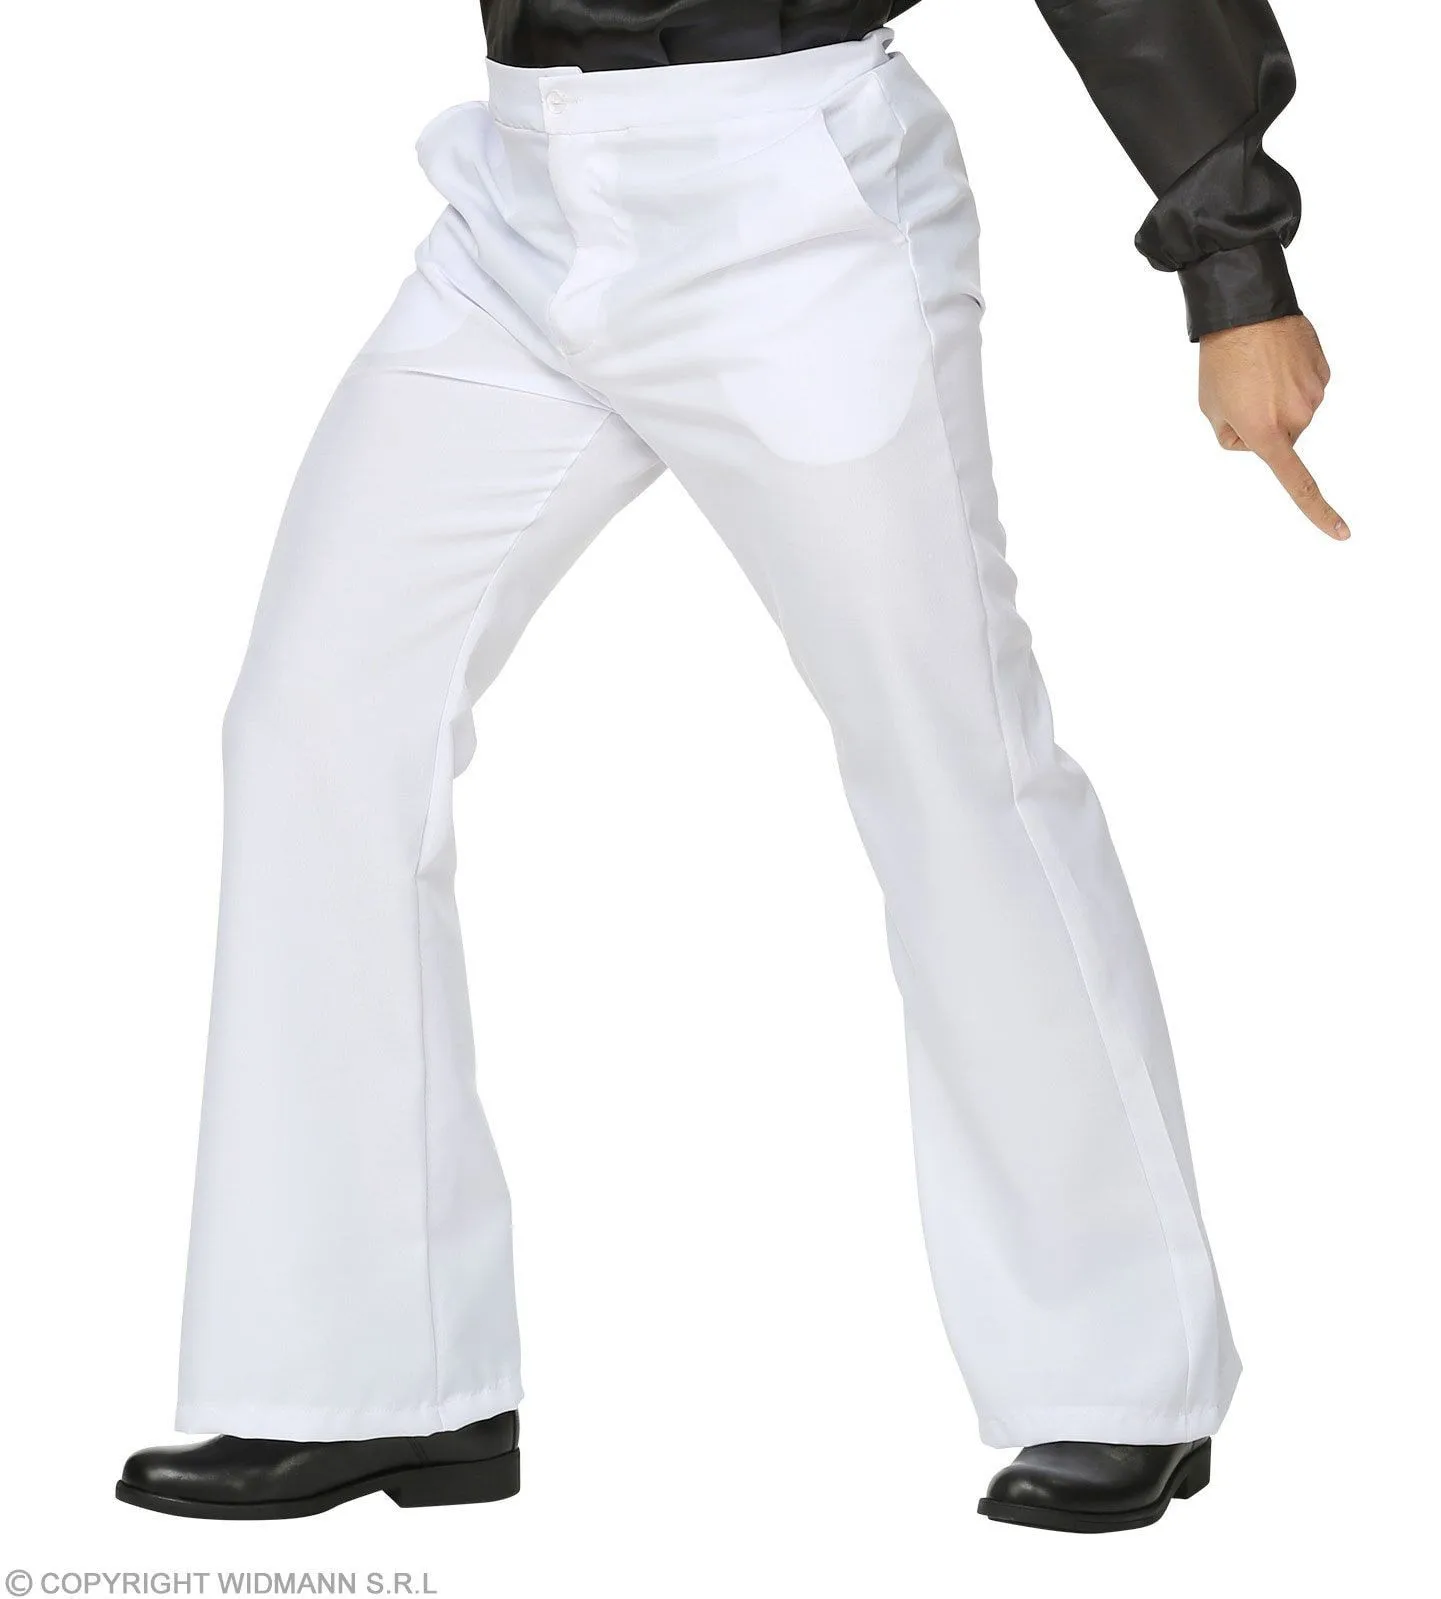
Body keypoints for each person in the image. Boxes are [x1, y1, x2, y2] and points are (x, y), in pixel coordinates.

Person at [116, 0, 1340, 1532]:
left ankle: (1121, 1380)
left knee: (950, 758)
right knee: (315, 721)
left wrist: (1236, 270)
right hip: (519, 198)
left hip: (793, 194)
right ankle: (369, 1377)